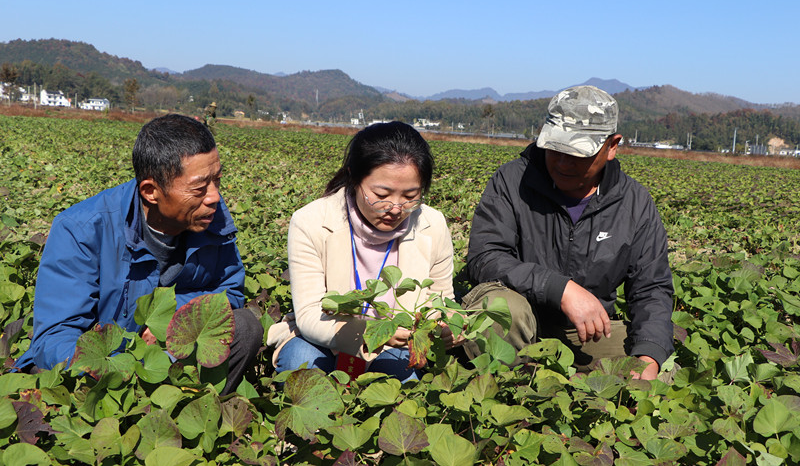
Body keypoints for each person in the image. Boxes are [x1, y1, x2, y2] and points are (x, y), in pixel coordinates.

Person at [15, 114, 262, 394]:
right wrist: (114, 367)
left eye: (217, 180)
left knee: (244, 327)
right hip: (100, 372)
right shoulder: (80, 229)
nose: (214, 196)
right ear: (150, 191)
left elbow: (229, 292)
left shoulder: (211, 217)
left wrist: (171, 318)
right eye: (199, 187)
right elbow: (55, 337)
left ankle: (193, 406)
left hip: (168, 356)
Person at [464, 86, 674, 380]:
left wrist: (649, 355)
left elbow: (651, 288)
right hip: (519, 326)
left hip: (587, 334)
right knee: (500, 309)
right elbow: (484, 258)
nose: (563, 163)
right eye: (556, 148)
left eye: (578, 153)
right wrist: (559, 288)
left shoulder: (634, 203)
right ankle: (509, 390)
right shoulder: (512, 181)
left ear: (612, 146)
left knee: (659, 370)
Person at [267, 121, 457, 381]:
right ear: (354, 178)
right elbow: (310, 315)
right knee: (302, 362)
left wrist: (446, 326)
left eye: (410, 196)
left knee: (402, 381)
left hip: (396, 348)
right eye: (381, 194)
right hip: (323, 339)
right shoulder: (311, 221)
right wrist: (376, 332)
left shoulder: (432, 225)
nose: (395, 208)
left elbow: (442, 300)